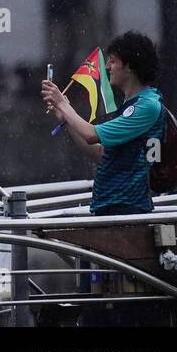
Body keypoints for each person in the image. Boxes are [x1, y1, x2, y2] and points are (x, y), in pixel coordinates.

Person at [42, 32, 164, 216]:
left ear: (129, 66)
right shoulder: (130, 104)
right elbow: (100, 153)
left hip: (128, 209)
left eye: (113, 61)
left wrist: (63, 104)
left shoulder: (147, 106)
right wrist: (66, 118)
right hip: (111, 207)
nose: (107, 67)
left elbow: (91, 135)